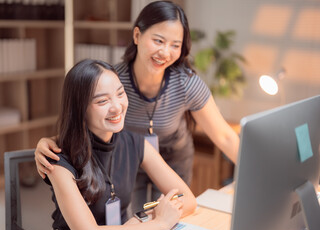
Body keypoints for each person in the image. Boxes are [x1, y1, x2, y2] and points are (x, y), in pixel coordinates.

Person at [35, 1, 239, 213]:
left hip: (174, 159)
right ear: (137, 36)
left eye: (175, 45)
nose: (165, 52)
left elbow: (224, 136)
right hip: (129, 157)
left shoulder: (186, 83)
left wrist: (256, 175)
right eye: (158, 40)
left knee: (175, 212)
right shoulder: (114, 81)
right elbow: (86, 121)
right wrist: (51, 142)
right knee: (135, 214)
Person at [43, 59, 196, 230]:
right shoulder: (58, 158)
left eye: (120, 93)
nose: (117, 107)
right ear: (80, 109)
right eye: (102, 101)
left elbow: (188, 199)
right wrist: (160, 222)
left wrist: (140, 219)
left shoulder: (134, 142)